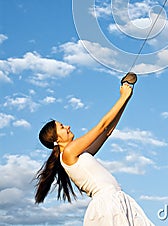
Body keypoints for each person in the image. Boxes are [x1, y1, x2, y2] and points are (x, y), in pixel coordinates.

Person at [35, 73, 155, 225]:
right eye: (62, 127)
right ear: (56, 139)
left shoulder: (78, 154)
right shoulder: (69, 152)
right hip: (107, 204)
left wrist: (127, 98)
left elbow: (107, 131)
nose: (68, 126)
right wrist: (122, 97)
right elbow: (102, 126)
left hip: (116, 199)